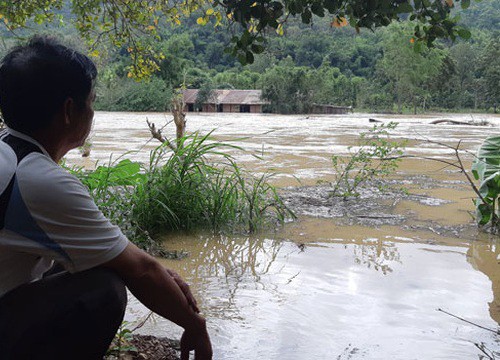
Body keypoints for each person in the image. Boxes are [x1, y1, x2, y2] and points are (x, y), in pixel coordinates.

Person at [0, 36, 212, 360]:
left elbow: (119, 253)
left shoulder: (7, 152)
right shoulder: (40, 182)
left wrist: (153, 270)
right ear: (69, 111)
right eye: (92, 101)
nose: (93, 111)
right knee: (105, 288)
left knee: (94, 261)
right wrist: (194, 325)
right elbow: (140, 270)